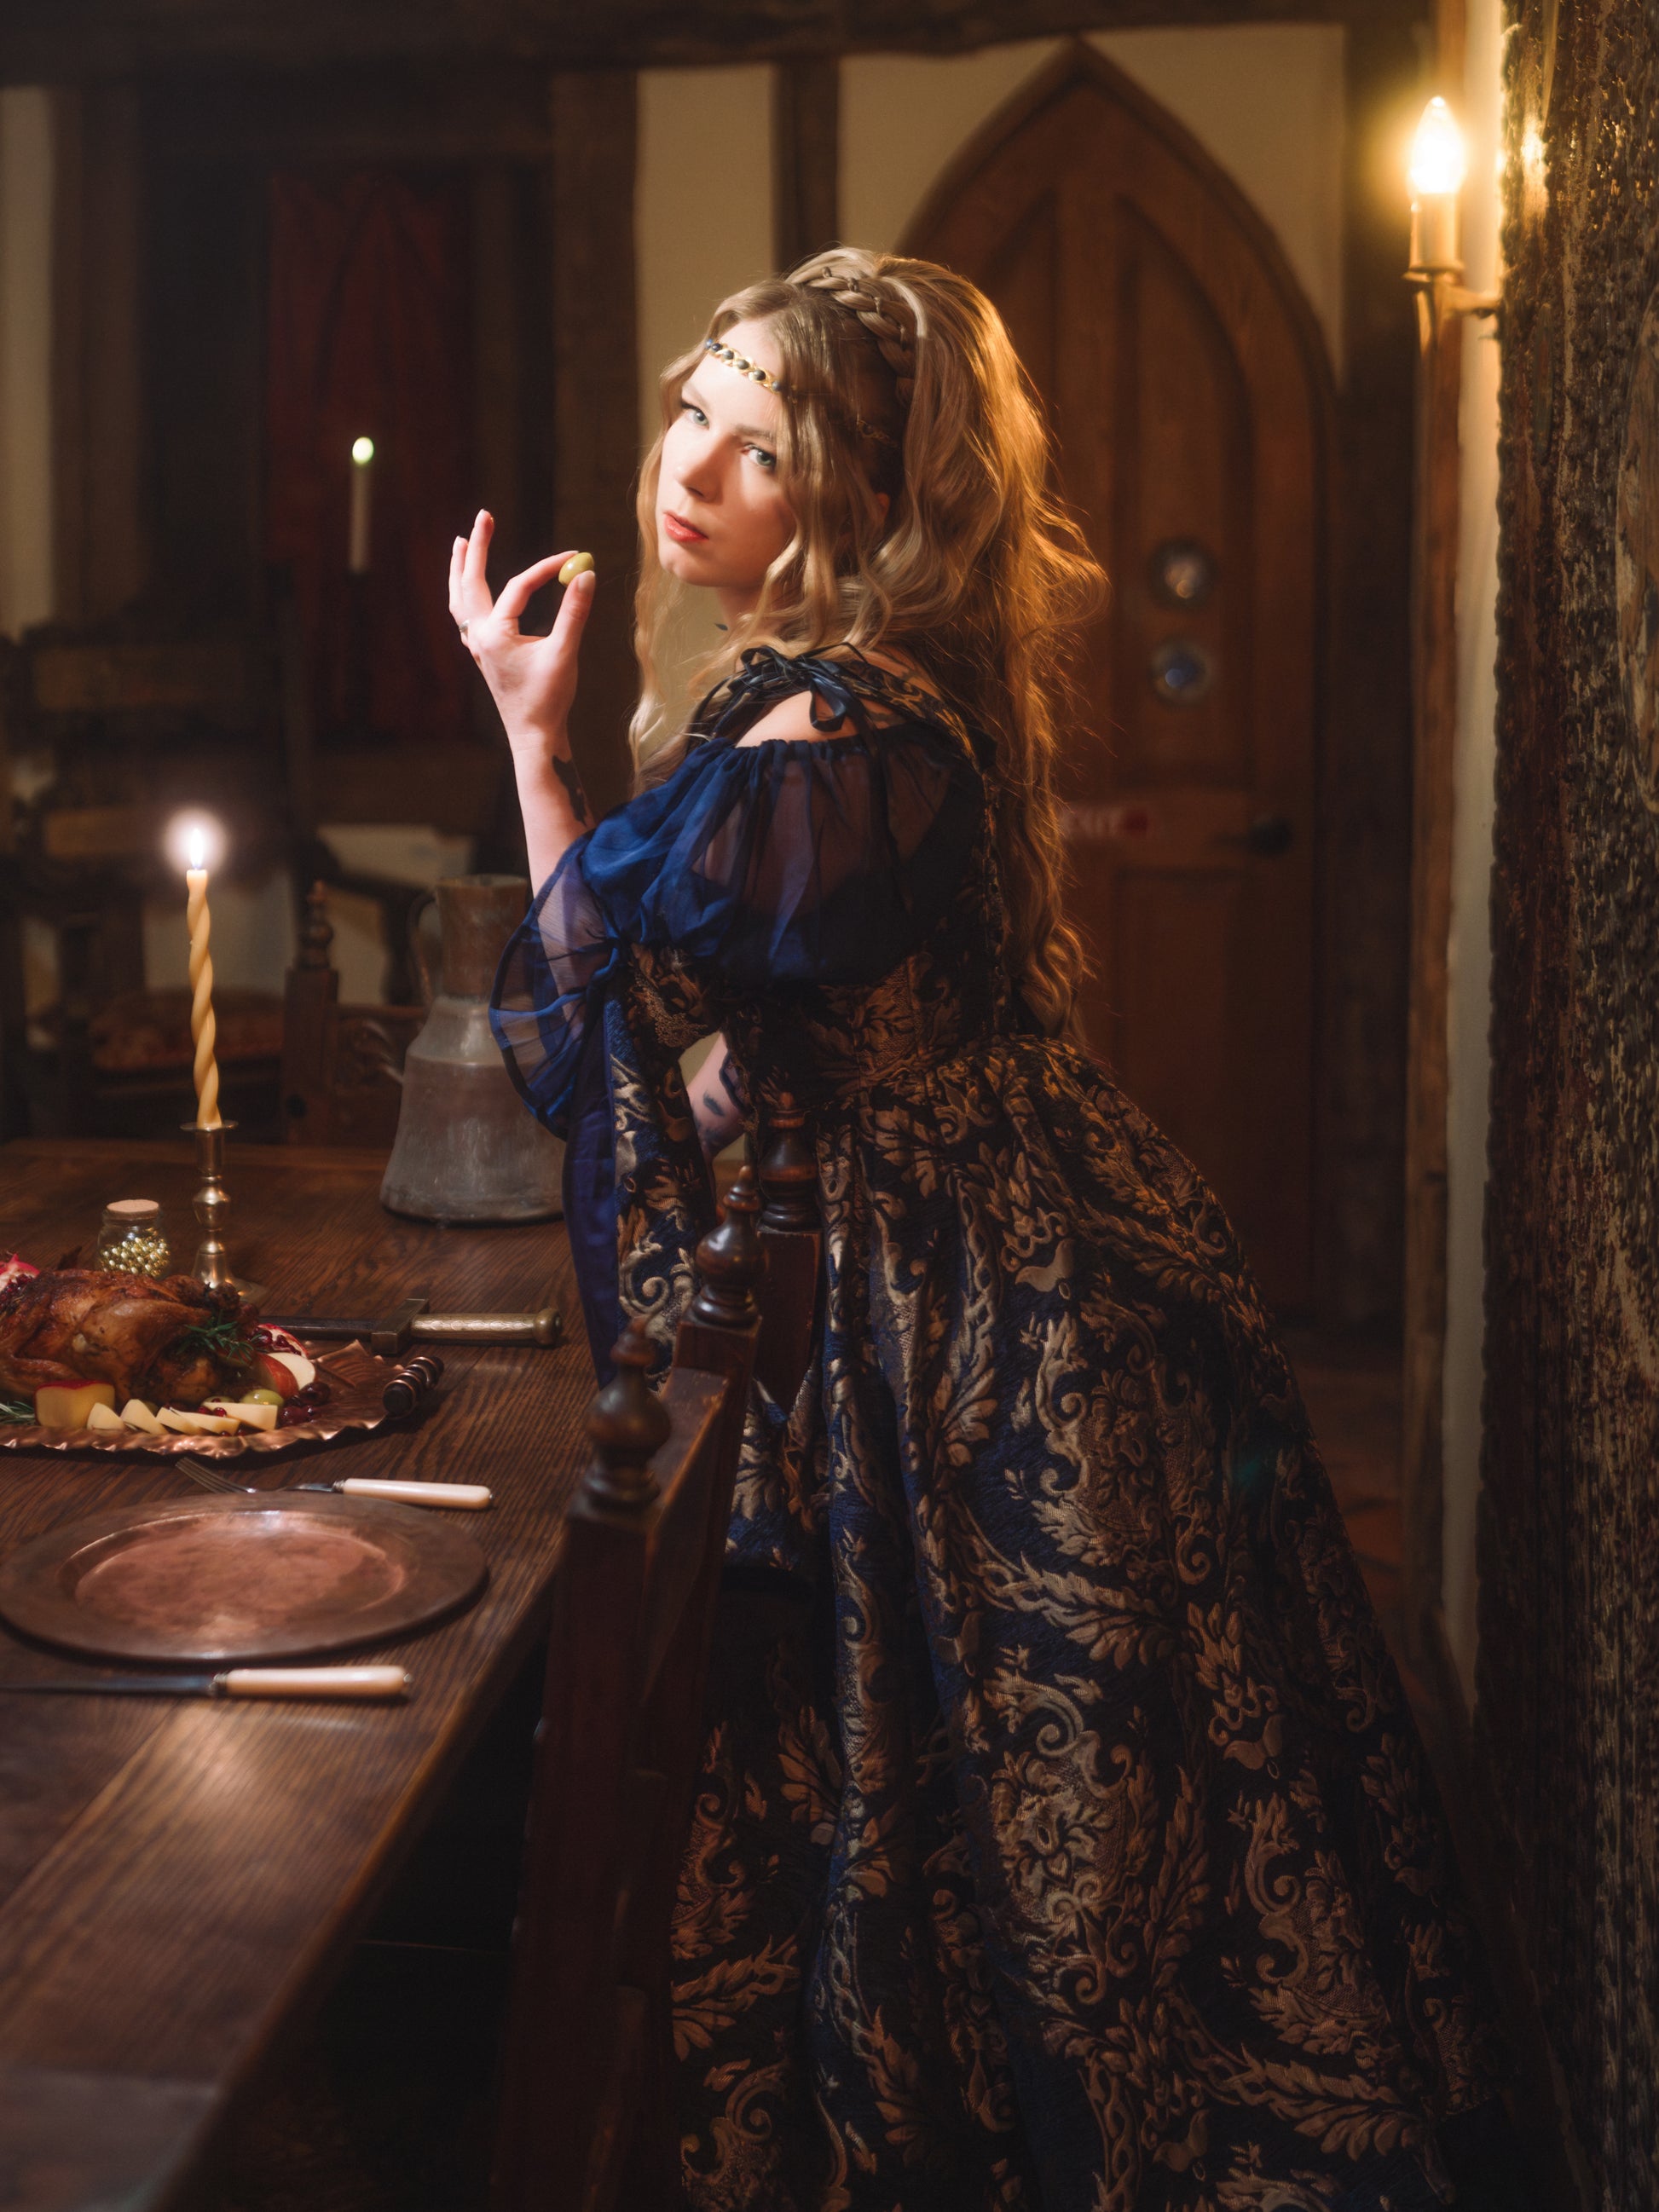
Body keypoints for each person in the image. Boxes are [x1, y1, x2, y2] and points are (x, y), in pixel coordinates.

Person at [455, 250, 1525, 2212]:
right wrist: (541, 740)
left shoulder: (829, 730)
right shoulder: (857, 693)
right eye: (693, 410)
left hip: (968, 1292)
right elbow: (712, 1036)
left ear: (858, 500)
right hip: (1013, 1219)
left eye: (755, 444)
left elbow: (609, 1014)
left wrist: (536, 758)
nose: (687, 466)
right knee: (1064, 1767)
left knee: (1014, 1771)